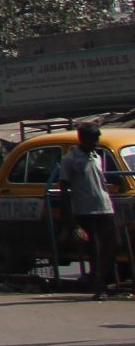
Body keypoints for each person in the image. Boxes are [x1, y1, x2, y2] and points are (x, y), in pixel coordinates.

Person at [49, 124, 123, 298]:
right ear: (83, 139)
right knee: (94, 250)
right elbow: (64, 189)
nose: (96, 142)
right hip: (85, 210)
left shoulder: (97, 156)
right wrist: (70, 218)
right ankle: (99, 287)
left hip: (105, 207)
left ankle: (103, 279)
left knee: (114, 245)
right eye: (93, 139)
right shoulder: (70, 159)